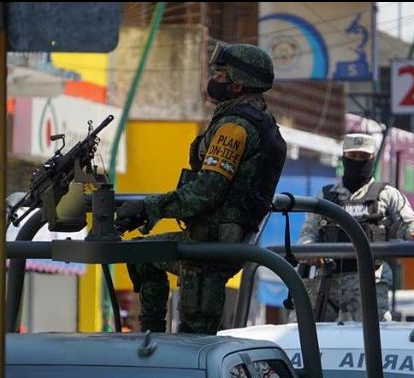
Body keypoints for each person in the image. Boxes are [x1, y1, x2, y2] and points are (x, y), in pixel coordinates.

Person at [114, 43, 286, 335]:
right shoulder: (251, 119)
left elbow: (205, 192)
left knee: (194, 344)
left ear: (237, 84)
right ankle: (150, 336)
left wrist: (148, 208)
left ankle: (154, 341)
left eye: (221, 75)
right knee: (141, 254)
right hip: (214, 239)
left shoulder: (235, 127)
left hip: (213, 247)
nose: (214, 81)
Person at [297, 133, 414, 321]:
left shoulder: (386, 194)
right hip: (328, 284)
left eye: (363, 158)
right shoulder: (326, 196)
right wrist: (310, 251)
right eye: (353, 157)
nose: (357, 162)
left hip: (370, 282)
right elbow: (308, 234)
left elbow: (409, 224)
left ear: (372, 159)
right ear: (344, 158)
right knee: (307, 333)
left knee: (376, 339)